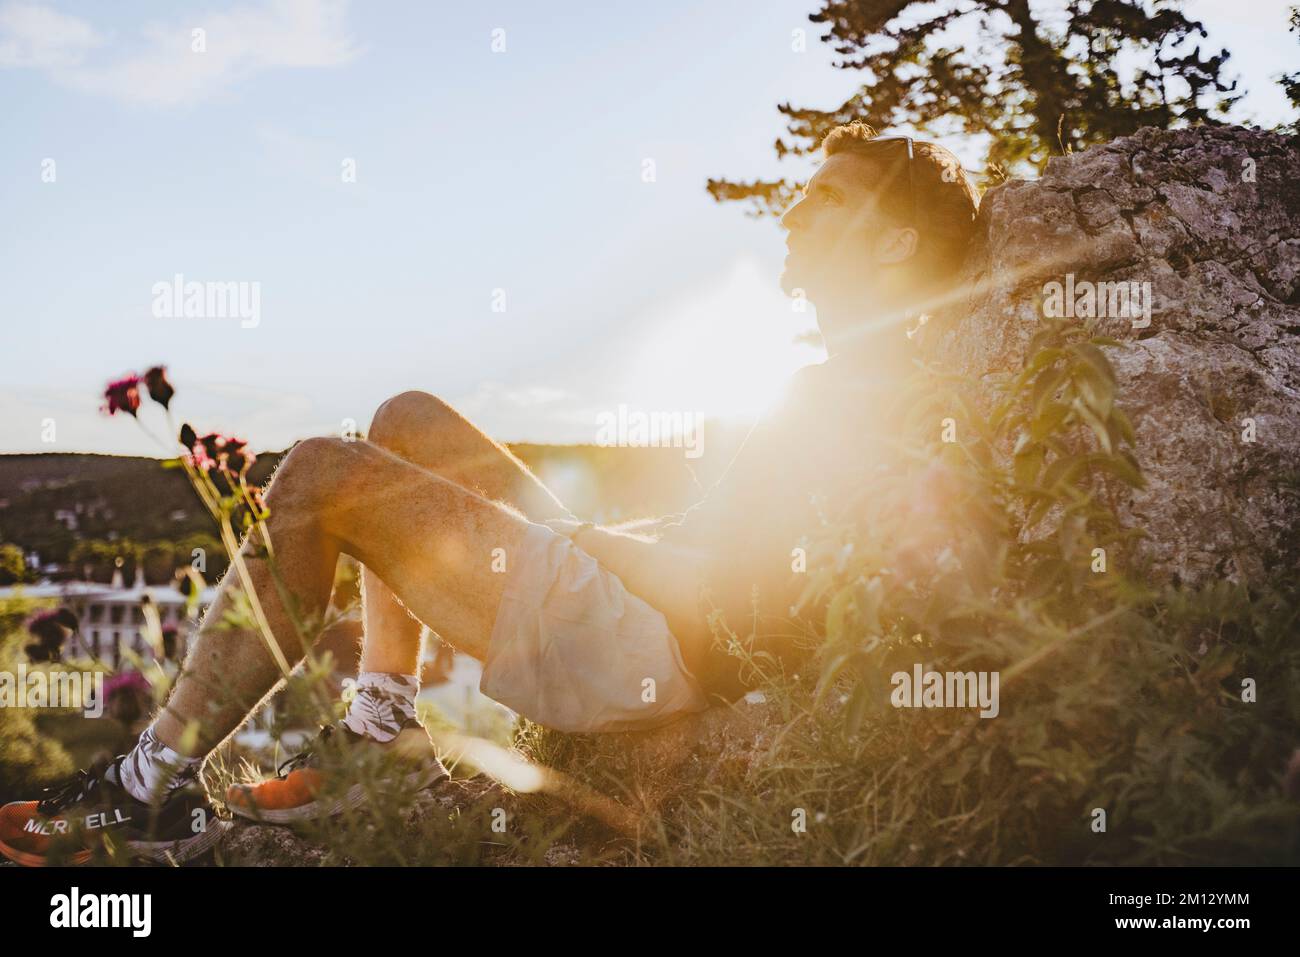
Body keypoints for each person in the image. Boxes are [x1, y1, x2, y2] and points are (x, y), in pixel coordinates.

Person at [0, 123, 979, 865]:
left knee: (319, 479)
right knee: (407, 417)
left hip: (656, 640)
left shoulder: (887, 393)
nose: (797, 211)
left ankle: (145, 784)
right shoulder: (835, 378)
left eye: (827, 198)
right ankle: (382, 730)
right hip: (640, 584)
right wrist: (607, 539)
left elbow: (773, 600)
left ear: (893, 248)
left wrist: (596, 541)